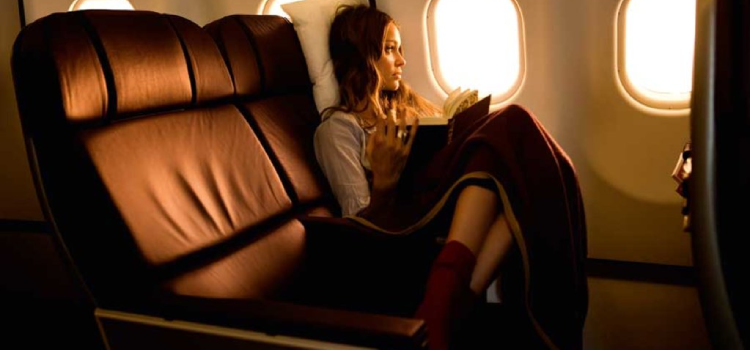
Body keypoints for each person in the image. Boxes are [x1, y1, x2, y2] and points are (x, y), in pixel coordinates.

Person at [314, 5, 587, 350]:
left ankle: (451, 303)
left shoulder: (406, 111)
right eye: (388, 49)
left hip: (434, 205)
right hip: (403, 229)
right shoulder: (338, 129)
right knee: (513, 123)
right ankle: (447, 300)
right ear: (362, 56)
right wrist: (384, 181)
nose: (401, 61)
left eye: (400, 49)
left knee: (530, 178)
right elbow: (358, 227)